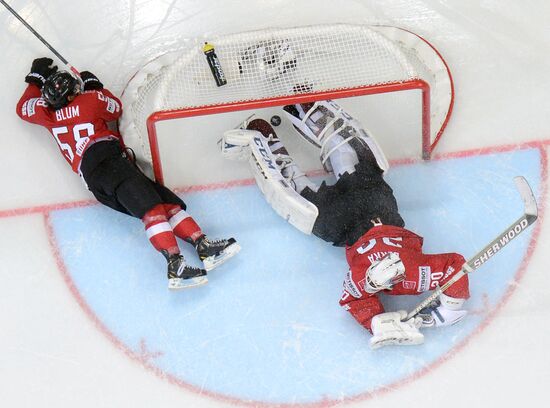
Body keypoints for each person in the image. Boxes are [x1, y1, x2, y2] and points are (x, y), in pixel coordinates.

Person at [221, 100, 469, 348]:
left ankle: (266, 142)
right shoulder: (416, 275)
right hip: (378, 207)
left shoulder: (380, 279)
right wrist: (448, 309)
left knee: (300, 200)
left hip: (344, 226)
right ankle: (310, 115)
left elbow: (355, 301)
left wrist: (374, 322)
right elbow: (455, 265)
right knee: (356, 163)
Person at [17, 57, 240, 290]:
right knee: (151, 210)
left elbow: (23, 108)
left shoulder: (47, 116)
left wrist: (35, 78)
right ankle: (176, 266)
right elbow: (114, 108)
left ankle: (203, 246)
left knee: (166, 203)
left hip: (98, 177)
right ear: (74, 93)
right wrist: (94, 85)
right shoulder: (88, 101)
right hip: (108, 164)